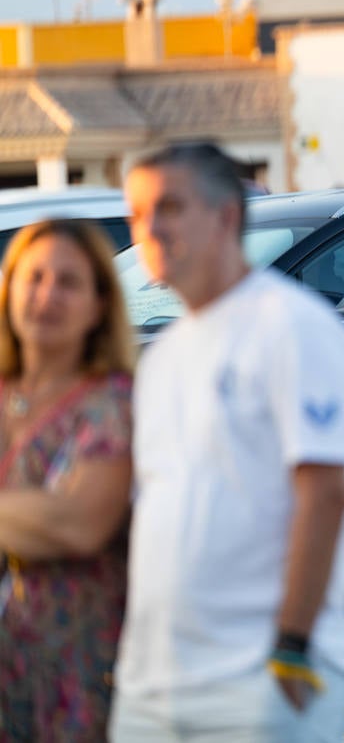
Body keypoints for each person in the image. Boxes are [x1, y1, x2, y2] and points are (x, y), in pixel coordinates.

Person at [112, 143, 344, 742]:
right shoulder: (165, 354)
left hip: (258, 677)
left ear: (226, 216)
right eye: (137, 213)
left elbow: (325, 493)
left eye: (170, 207)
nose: (149, 229)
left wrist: (291, 647)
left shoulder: (293, 326)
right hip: (154, 685)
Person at [0, 219, 135, 742]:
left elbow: (78, 525)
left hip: (76, 671)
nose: (47, 295)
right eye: (33, 277)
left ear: (100, 305)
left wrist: (48, 521)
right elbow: (47, 519)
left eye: (69, 282)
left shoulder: (113, 404)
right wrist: (32, 516)